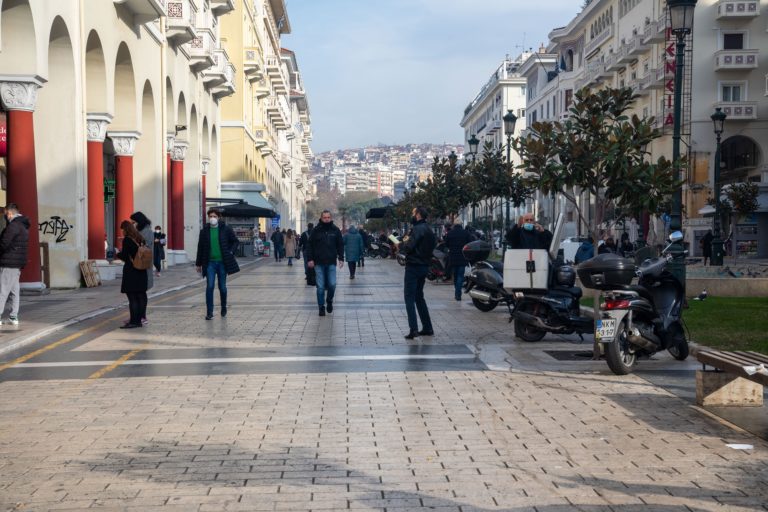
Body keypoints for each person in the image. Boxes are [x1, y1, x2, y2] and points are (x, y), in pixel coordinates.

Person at [195, 208, 240, 320]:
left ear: (219, 217)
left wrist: (231, 252)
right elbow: (200, 247)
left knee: (222, 287)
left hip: (222, 263)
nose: (212, 218)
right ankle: (209, 312)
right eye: (210, 216)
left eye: (214, 216)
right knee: (209, 286)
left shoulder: (226, 229)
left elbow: (235, 241)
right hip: (209, 263)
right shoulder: (204, 231)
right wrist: (198, 264)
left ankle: (223, 306)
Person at [400, 206, 436, 339]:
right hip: (424, 266)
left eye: (413, 213)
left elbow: (408, 247)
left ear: (418, 215)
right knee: (419, 297)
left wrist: (402, 244)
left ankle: (413, 329)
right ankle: (427, 327)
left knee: (409, 297)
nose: (412, 215)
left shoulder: (416, 229)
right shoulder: (429, 229)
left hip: (413, 266)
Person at [306, 210, 344, 317]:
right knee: (320, 287)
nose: (326, 219)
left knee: (332, 284)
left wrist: (341, 258)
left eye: (328, 217)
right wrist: (310, 259)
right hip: (319, 263)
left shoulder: (335, 230)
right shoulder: (316, 231)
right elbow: (309, 245)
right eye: (324, 217)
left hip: (331, 262)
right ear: (321, 218)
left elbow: (340, 245)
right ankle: (321, 307)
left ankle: (329, 300)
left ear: (331, 218)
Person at [0, 204, 30, 326]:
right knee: (14, 290)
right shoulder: (23, 226)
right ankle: (13, 316)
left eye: (6, 214)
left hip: (8, 262)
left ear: (10, 214)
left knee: (3, 290)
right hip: (17, 263)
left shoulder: (13, 226)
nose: (5, 217)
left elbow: (4, 243)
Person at [116, 220, 148, 329]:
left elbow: (125, 256)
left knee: (132, 298)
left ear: (126, 229)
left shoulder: (127, 240)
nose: (122, 232)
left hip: (132, 270)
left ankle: (134, 321)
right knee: (141, 296)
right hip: (142, 270)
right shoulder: (140, 239)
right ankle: (140, 320)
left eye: (122, 230)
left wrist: (118, 253)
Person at [129, 211, 154, 325]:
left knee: (141, 293)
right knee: (138, 292)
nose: (132, 224)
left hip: (143, 264)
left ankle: (142, 316)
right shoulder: (140, 231)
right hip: (138, 264)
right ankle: (138, 316)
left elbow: (144, 247)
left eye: (133, 222)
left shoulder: (147, 231)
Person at [445, 218, 472, 301]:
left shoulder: (450, 233)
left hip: (453, 257)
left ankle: (457, 293)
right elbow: (469, 244)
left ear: (454, 224)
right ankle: (458, 294)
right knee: (460, 276)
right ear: (461, 224)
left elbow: (447, 244)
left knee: (455, 276)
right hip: (462, 257)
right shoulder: (466, 233)